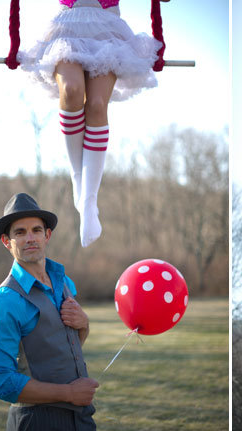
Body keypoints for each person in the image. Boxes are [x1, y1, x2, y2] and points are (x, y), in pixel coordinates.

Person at [16, 0, 169, 247]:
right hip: (67, 25)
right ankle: (80, 183)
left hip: (106, 27)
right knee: (72, 89)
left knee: (97, 104)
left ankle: (89, 200)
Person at [0, 193, 102, 431]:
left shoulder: (63, 281)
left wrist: (84, 325)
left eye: (37, 230)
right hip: (37, 426)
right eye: (20, 232)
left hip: (81, 418)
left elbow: (64, 344)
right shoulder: (5, 301)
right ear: (7, 241)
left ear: (47, 235)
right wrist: (68, 393)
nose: (30, 238)